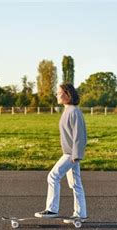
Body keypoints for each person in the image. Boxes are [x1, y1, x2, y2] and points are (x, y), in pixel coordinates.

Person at [35, 83, 88, 221]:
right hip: (70, 153)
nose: (57, 95)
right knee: (75, 184)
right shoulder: (68, 110)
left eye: (59, 93)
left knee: (53, 176)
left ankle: (52, 210)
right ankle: (80, 214)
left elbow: (80, 135)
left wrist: (76, 156)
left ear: (67, 94)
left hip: (71, 154)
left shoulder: (74, 112)